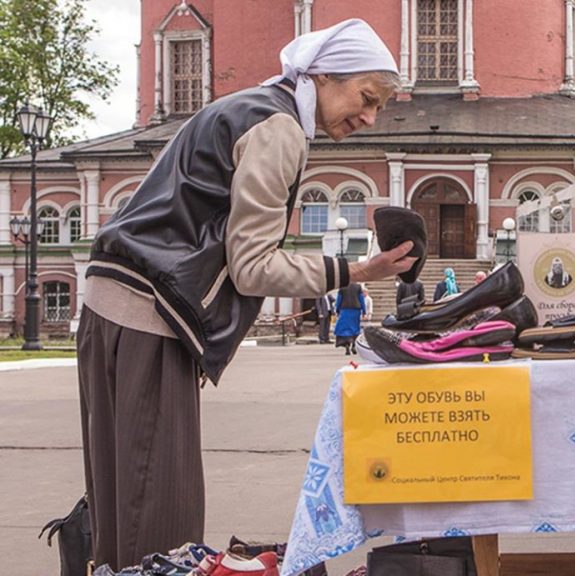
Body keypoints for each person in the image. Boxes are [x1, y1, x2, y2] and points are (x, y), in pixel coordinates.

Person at [76, 20, 416, 570]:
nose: (370, 117)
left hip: (111, 301)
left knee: (119, 500)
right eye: (367, 97)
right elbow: (253, 268)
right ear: (324, 76)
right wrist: (356, 269)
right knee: (159, 512)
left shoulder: (243, 106)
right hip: (151, 312)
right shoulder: (279, 128)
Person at [334, 282, 365, 353]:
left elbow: (339, 299)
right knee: (355, 327)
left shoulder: (342, 287)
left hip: (345, 310)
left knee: (344, 328)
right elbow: (361, 299)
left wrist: (337, 309)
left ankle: (346, 344)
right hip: (356, 310)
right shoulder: (358, 287)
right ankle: (354, 344)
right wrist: (364, 310)